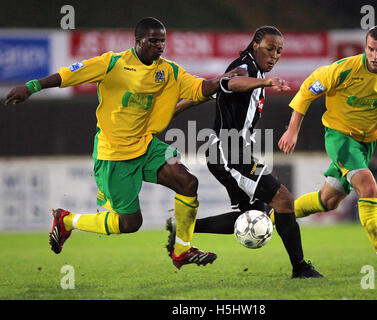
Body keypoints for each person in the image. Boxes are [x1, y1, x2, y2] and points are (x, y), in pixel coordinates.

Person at [4, 17, 245, 270]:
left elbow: (199, 87)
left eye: (162, 41)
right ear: (138, 41)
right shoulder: (112, 63)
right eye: (153, 40)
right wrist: (31, 87)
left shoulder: (169, 71)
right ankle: (66, 220)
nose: (159, 45)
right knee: (130, 224)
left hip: (145, 145)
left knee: (187, 182)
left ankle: (182, 250)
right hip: (114, 154)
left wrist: (224, 79)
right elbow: (68, 75)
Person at [167, 26, 323, 278]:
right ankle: (300, 268)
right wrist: (267, 81)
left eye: (279, 51)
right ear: (255, 46)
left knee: (255, 213)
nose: (274, 55)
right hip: (228, 152)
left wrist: (172, 111)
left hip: (232, 151)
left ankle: (182, 228)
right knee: (283, 200)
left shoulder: (254, 70)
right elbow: (232, 82)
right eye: (269, 48)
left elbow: (209, 91)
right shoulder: (246, 68)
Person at [278, 25, 377, 273]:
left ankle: (272, 217)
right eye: (370, 49)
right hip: (339, 137)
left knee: (328, 201)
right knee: (368, 186)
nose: (374, 55)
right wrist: (292, 129)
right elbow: (307, 89)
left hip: (366, 143)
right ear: (365, 48)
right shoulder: (345, 69)